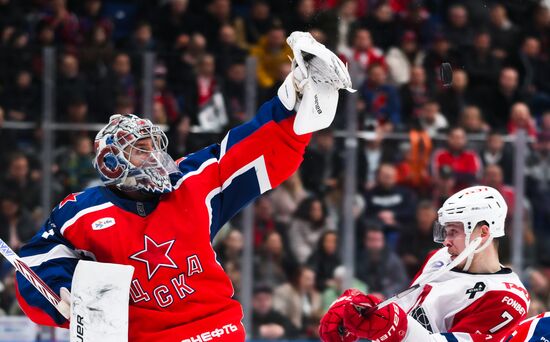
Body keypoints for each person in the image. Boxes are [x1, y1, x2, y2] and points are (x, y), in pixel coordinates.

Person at [15, 32, 352, 341]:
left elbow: (240, 154)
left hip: (216, 330)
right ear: (111, 164)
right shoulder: (80, 213)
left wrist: (292, 107)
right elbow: (36, 262)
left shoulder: (188, 183)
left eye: (154, 145)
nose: (155, 156)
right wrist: (61, 290)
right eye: (141, 149)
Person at [319, 185, 530, 342]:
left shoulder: (508, 298)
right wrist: (364, 313)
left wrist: (397, 328)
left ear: (483, 233)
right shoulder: (439, 258)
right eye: (445, 232)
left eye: (454, 232)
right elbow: (406, 311)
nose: (446, 241)